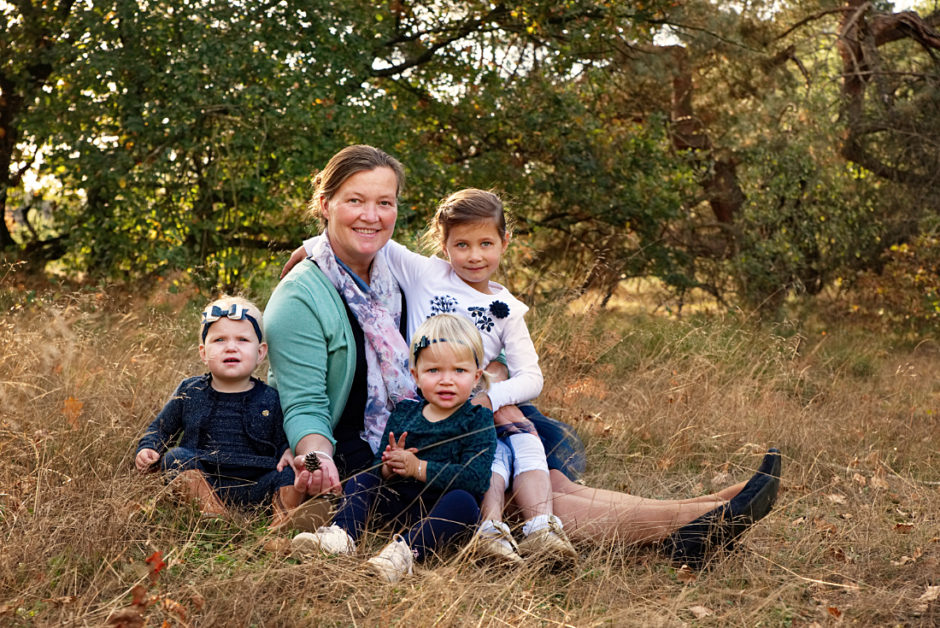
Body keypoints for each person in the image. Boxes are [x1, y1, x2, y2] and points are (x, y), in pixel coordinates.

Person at [265, 144, 780, 571]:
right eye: (356, 200)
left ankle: (708, 510)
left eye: (385, 202)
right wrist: (317, 456)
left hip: (439, 409)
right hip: (376, 447)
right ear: (325, 202)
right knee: (515, 495)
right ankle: (690, 525)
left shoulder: (388, 269)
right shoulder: (301, 297)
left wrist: (487, 388)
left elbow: (458, 324)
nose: (372, 216)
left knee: (546, 480)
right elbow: (304, 403)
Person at [288, 188, 574, 564]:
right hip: (424, 401)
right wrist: (311, 249)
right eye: (462, 245)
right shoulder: (425, 273)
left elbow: (532, 377)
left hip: (474, 404)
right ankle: (343, 537)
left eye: (486, 243)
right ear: (443, 244)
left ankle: (536, 528)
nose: (474, 256)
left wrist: (491, 396)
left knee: (518, 447)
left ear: (505, 242)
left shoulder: (508, 311)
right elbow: (367, 240)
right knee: (380, 472)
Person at [291, 314, 498, 582]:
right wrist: (388, 469)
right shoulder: (405, 413)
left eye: (459, 371)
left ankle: (403, 555)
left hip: (441, 511)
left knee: (464, 503)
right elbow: (379, 467)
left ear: (476, 376)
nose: (447, 380)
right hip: (399, 505)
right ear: (416, 375)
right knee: (363, 480)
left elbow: (477, 479)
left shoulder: (477, 419)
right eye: (434, 370)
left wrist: (419, 468)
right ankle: (341, 536)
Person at [134, 296, 324, 531]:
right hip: (205, 479)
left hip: (257, 483)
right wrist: (149, 448)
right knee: (175, 457)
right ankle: (214, 517)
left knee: (289, 472)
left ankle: (282, 523)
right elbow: (161, 428)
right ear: (203, 352)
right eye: (219, 340)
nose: (231, 346)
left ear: (260, 352)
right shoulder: (190, 391)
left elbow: (283, 439)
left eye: (242, 339)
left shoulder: (271, 398)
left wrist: (287, 450)